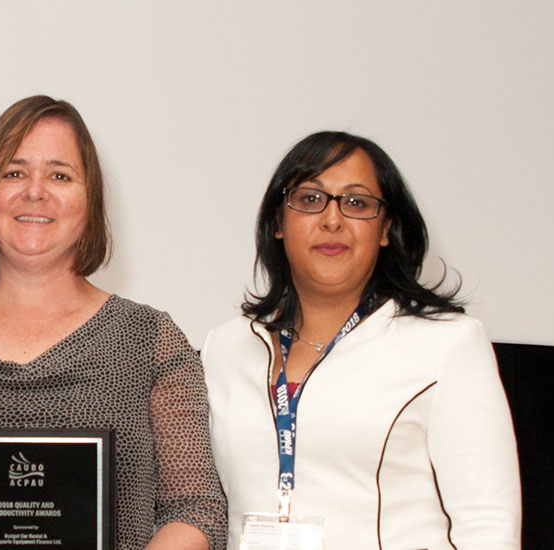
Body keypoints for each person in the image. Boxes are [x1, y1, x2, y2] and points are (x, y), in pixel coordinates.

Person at [0, 95, 226, 550]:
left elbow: (196, 510)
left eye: (60, 175)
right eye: (14, 173)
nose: (34, 190)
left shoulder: (150, 340)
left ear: (89, 199)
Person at [202, 131, 521, 549]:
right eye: (310, 199)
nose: (332, 220)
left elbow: (488, 525)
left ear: (386, 228)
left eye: (357, 203)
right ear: (278, 222)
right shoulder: (223, 349)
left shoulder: (446, 344)